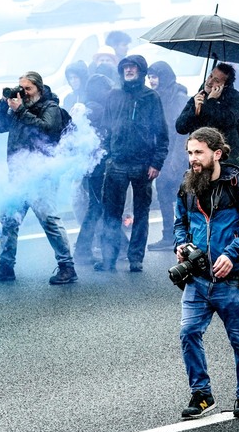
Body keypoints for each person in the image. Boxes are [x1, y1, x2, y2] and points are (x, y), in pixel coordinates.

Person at [174, 127, 239, 419]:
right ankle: (202, 395)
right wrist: (180, 244)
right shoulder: (187, 186)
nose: (193, 159)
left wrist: (231, 253)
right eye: (190, 153)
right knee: (188, 333)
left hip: (231, 281)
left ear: (217, 153)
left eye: (198, 152)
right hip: (197, 281)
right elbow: (180, 224)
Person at [0, 72, 77, 285]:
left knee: (49, 221)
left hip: (41, 176)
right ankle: (6, 266)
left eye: (28, 89)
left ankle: (67, 267)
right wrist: (2, 103)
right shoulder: (16, 108)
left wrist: (21, 110)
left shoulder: (50, 108)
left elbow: (48, 128)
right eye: (21, 88)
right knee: (8, 220)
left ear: (39, 90)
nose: (23, 93)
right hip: (17, 174)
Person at [94, 55, 168, 273]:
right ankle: (109, 258)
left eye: (133, 67)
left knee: (141, 213)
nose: (128, 70)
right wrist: (107, 155)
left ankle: (135, 257)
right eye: (125, 67)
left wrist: (157, 162)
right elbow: (105, 128)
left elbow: (162, 134)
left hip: (143, 164)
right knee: (111, 213)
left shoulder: (151, 97)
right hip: (116, 163)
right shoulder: (113, 95)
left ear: (141, 71)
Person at [146, 61, 189, 251]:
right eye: (150, 77)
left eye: (154, 76)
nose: (151, 80)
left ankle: (183, 234)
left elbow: (181, 132)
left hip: (177, 155)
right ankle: (169, 234)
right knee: (164, 193)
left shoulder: (178, 98)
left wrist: (175, 160)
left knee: (182, 196)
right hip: (163, 153)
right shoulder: (157, 97)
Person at [73, 74, 115, 263]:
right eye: (107, 89)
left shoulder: (87, 108)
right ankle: (83, 249)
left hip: (90, 166)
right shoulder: (97, 110)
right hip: (98, 167)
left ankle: (118, 245)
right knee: (97, 207)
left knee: (99, 206)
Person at [175, 63, 239, 165]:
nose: (210, 81)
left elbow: (227, 121)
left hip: (224, 160)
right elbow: (180, 127)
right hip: (199, 159)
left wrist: (211, 101)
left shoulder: (233, 97)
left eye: (216, 80)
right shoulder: (198, 97)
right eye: (210, 76)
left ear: (224, 85)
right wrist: (194, 110)